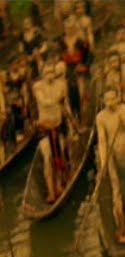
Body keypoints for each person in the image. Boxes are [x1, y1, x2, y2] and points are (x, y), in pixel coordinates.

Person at [95, 90, 125, 244]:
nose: (110, 103)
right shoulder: (101, 117)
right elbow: (102, 141)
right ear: (104, 101)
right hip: (113, 158)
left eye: (112, 99)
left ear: (118, 98)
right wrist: (103, 164)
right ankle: (121, 228)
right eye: (107, 100)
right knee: (117, 192)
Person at [33, 62, 72, 203]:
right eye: (46, 72)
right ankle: (50, 191)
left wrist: (70, 123)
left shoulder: (61, 85)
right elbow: (44, 102)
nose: (49, 75)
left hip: (58, 125)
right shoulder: (38, 87)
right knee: (48, 158)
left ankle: (59, 184)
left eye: (51, 72)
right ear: (42, 74)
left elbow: (64, 103)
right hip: (44, 127)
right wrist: (57, 98)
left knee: (60, 154)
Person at [58, 18, 91, 119]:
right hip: (67, 70)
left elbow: (89, 56)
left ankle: (82, 117)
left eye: (71, 28)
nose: (69, 30)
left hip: (79, 69)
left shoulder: (81, 41)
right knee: (67, 95)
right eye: (67, 28)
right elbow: (59, 57)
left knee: (81, 95)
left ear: (75, 28)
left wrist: (84, 66)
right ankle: (72, 118)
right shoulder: (61, 42)